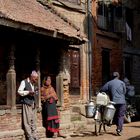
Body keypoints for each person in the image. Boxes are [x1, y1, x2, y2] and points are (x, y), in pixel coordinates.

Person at [101, 72, 126, 136]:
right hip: (122, 102)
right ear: (118, 76)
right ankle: (119, 129)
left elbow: (102, 89)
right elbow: (124, 92)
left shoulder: (109, 83)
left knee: (113, 114)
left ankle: (110, 122)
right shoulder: (122, 83)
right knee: (120, 116)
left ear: (112, 76)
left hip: (113, 102)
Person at [18, 71, 39, 140]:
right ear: (32, 77)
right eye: (35, 79)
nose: (36, 80)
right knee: (27, 121)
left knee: (34, 120)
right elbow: (19, 91)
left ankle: (35, 135)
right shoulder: (24, 82)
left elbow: (35, 93)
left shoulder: (34, 84)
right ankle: (29, 137)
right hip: (27, 103)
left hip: (33, 103)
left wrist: (35, 92)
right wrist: (28, 92)